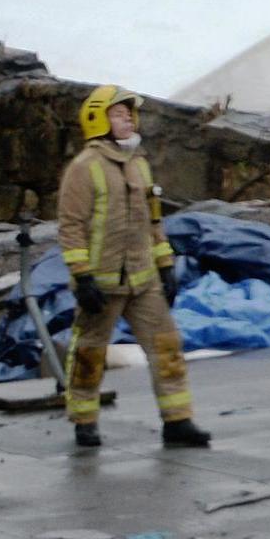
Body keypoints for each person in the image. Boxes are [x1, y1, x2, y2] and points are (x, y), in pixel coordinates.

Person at [58, 85, 210, 450]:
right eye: (118, 113)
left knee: (167, 347)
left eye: (129, 113)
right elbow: (71, 226)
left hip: (144, 280)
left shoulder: (139, 163)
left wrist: (166, 265)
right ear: (98, 120)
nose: (127, 118)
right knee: (89, 352)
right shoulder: (84, 168)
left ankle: (178, 421)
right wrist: (82, 276)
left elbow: (153, 221)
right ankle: (84, 421)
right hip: (102, 283)